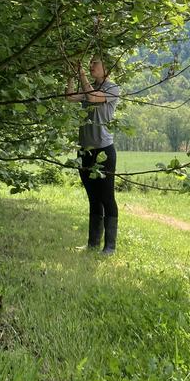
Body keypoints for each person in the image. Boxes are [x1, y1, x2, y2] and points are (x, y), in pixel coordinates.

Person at [65, 57, 121, 254]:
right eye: (89, 64)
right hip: (84, 150)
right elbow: (70, 96)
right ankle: (93, 244)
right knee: (93, 197)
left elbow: (91, 97)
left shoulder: (112, 89)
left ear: (106, 68)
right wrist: (71, 75)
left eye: (94, 63)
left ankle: (110, 246)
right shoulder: (90, 86)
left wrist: (81, 75)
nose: (91, 67)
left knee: (107, 197)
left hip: (103, 150)